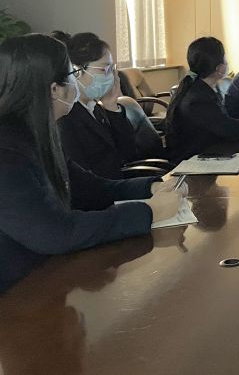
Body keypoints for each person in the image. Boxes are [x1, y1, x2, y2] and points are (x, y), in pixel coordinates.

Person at [0, 34, 182, 292]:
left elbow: (89, 186)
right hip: (17, 293)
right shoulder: (7, 154)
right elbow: (56, 232)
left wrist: (150, 187)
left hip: (47, 274)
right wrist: (150, 211)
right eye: (72, 74)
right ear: (54, 89)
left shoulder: (35, 136)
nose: (76, 82)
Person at [165, 37, 239, 161]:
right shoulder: (198, 99)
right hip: (197, 160)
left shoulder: (200, 89)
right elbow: (232, 131)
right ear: (219, 68)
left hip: (211, 149)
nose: (227, 62)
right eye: (225, 58)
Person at [52, 32, 155, 180]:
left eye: (112, 69)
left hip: (119, 186)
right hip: (102, 192)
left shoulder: (96, 108)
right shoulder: (65, 116)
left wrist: (112, 106)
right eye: (104, 69)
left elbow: (128, 154)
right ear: (76, 72)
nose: (111, 76)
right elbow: (82, 179)